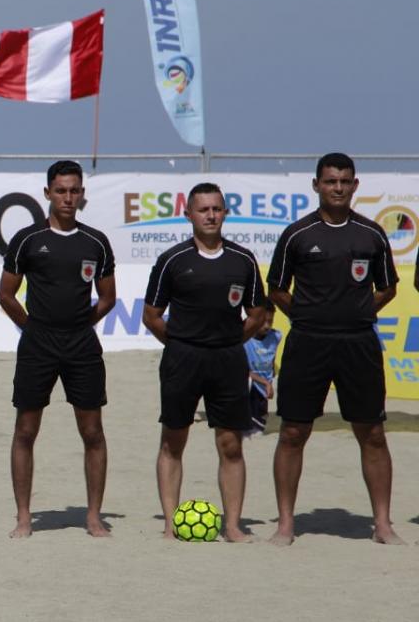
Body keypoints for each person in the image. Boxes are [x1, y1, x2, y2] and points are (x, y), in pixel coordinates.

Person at [267, 152, 403, 546]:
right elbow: (276, 288)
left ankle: (382, 524)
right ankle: (286, 524)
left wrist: (358, 312)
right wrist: (308, 314)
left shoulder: (371, 234)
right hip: (307, 342)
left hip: (358, 343)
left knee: (373, 433)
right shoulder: (297, 234)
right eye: (330, 181)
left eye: (345, 181)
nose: (338, 188)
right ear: (316, 185)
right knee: (293, 431)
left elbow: (389, 287)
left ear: (355, 185)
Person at [0, 160, 116, 538]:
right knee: (26, 430)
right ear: (47, 193)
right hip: (38, 343)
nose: (68, 197)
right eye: (61, 190)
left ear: (82, 194)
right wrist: (32, 326)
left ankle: (93, 516)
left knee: (93, 431)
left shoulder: (95, 241)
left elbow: (108, 298)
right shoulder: (28, 239)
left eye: (74, 190)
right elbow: (5, 294)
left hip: (81, 343)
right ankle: (23, 517)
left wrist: (79, 324)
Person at [142, 183, 264, 543]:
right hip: (183, 359)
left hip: (227, 359)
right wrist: (182, 342)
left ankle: (232, 526)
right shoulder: (172, 260)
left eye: (217, 209)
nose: (210, 215)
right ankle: (169, 523)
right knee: (173, 440)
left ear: (225, 213)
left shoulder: (243, 260)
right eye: (203, 209)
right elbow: (152, 316)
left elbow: (256, 314)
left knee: (231, 444)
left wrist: (226, 342)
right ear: (189, 215)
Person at [244, 302, 282, 436]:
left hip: (264, 387)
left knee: (259, 424)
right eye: (262, 321)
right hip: (250, 383)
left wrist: (269, 381)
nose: (267, 325)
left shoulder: (275, 337)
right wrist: (265, 382)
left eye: (270, 321)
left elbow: (271, 360)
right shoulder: (245, 338)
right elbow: (243, 371)